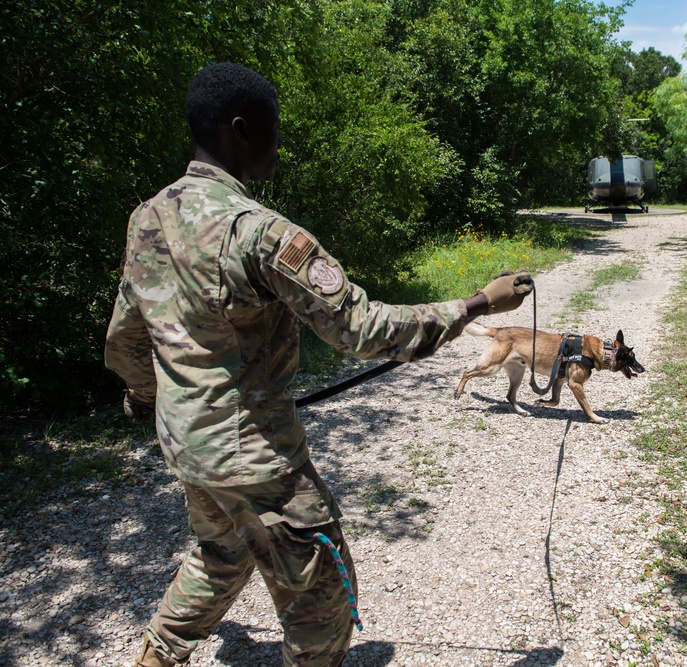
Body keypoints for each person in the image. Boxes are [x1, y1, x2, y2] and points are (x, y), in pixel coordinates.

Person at [105, 62, 532, 667]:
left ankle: (158, 655)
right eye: (274, 132)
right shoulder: (260, 233)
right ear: (241, 130)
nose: (279, 148)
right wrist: (481, 302)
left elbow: (125, 338)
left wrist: (149, 399)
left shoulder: (146, 218)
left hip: (185, 448)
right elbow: (365, 330)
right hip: (256, 460)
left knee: (222, 554)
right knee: (321, 603)